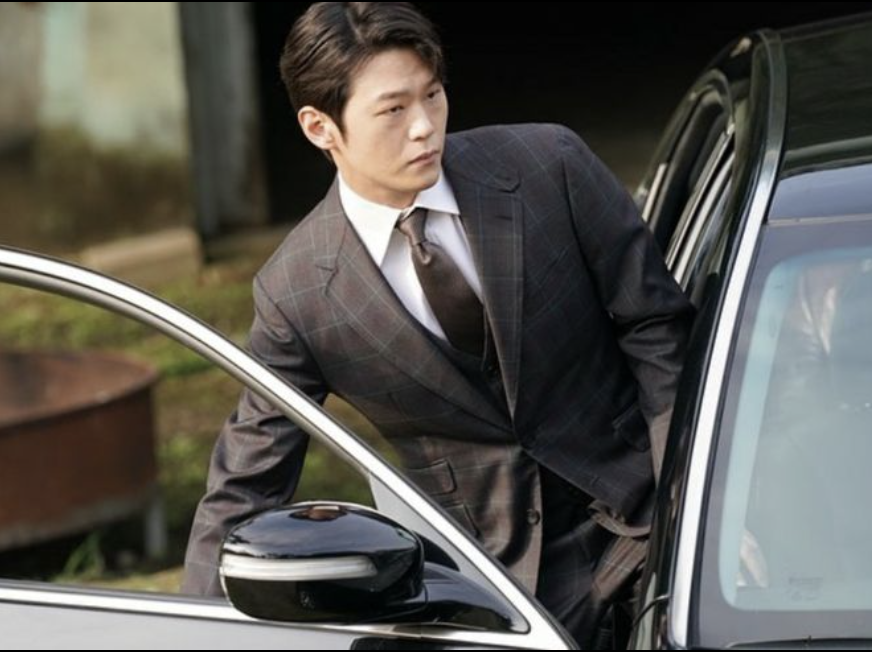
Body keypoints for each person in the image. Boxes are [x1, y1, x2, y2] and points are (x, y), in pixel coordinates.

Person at [182, 3, 693, 646]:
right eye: (393, 110)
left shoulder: (548, 165)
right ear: (320, 127)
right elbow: (246, 482)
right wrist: (192, 633)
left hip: (656, 516)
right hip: (501, 587)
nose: (425, 126)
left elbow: (658, 329)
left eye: (432, 95)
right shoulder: (299, 293)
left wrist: (696, 499)